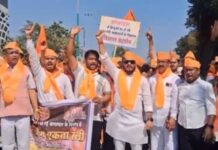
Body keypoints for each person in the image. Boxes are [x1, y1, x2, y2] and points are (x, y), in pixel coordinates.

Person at [96, 31, 153, 150]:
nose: (129, 64)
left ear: (135, 64)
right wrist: (100, 42)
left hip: (136, 123)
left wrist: (149, 119)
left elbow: (147, 102)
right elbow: (105, 59)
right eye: (126, 62)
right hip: (119, 121)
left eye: (132, 62)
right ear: (122, 63)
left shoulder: (142, 80)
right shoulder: (117, 74)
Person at [66, 27, 111, 150]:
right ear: (85, 60)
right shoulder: (79, 71)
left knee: (94, 145)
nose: (93, 61)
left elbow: (108, 94)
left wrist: (101, 100)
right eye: (90, 59)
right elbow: (69, 54)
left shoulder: (103, 78)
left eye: (95, 59)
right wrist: (72, 36)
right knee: (78, 145)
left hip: (96, 118)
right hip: (79, 117)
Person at [0, 41, 39, 150]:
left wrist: (36, 109)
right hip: (5, 113)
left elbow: (32, 89)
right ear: (5, 56)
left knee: (23, 145)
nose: (15, 55)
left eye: (17, 53)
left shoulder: (26, 70)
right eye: (11, 53)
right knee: (7, 145)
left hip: (23, 113)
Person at [25, 24, 75, 105]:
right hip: (44, 112)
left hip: (60, 111)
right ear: (43, 61)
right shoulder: (39, 73)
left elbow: (70, 97)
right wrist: (28, 37)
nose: (49, 61)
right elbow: (33, 56)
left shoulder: (64, 77)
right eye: (47, 59)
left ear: (56, 61)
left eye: (52, 59)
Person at [178, 51, 216, 150]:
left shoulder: (205, 86)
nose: (188, 73)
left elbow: (211, 107)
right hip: (183, 128)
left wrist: (209, 127)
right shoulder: (180, 87)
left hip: (199, 129)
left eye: (191, 70)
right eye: (186, 70)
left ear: (198, 71)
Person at [149, 51, 180, 150]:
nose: (161, 64)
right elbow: (149, 100)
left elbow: (175, 101)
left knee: (170, 146)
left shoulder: (176, 79)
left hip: (168, 120)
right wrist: (149, 118)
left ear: (168, 63)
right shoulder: (152, 79)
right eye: (159, 61)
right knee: (155, 146)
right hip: (155, 119)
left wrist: (173, 118)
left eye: (163, 62)